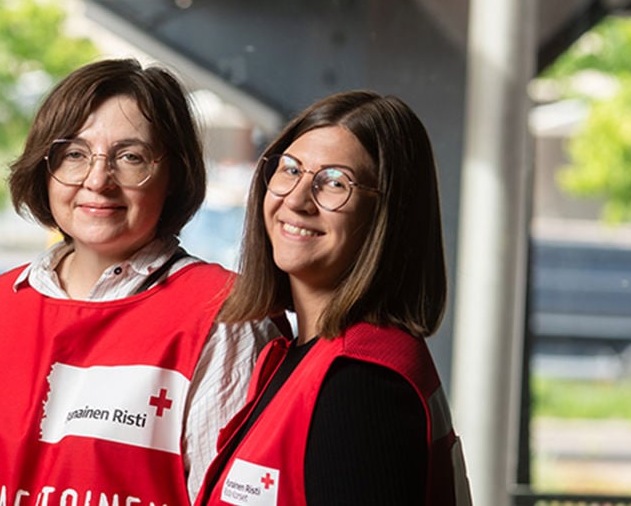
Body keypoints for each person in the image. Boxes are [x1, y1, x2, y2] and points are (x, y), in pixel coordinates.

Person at [0, 58, 280, 506]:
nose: (97, 180)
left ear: (174, 176)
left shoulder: (225, 313)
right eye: (74, 154)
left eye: (130, 157)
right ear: (45, 168)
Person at [195, 90, 470, 505]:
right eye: (290, 170)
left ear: (386, 215)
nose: (298, 199)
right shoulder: (300, 357)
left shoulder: (361, 383)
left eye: (335, 183)